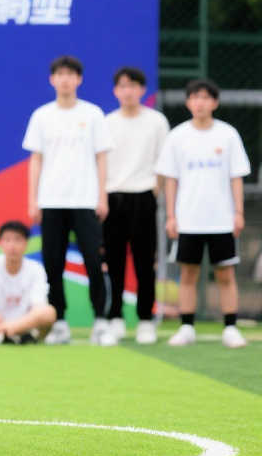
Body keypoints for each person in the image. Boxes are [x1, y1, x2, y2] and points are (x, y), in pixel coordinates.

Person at [23, 55, 114, 346]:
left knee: (93, 261)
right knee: (53, 264)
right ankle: (59, 322)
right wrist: (33, 200)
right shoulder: (42, 116)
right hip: (51, 201)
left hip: (85, 201)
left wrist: (102, 196)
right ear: (52, 79)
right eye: (60, 74)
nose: (65, 79)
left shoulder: (93, 114)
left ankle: (101, 321)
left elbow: (102, 158)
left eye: (70, 74)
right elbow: (36, 160)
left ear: (79, 79)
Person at [155, 79, 250, 348]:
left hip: (222, 220)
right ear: (188, 102)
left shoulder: (228, 135)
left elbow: (236, 177)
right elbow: (171, 179)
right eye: (195, 97)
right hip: (188, 220)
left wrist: (238, 212)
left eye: (206, 97)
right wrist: (171, 216)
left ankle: (230, 327)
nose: (200, 103)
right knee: (188, 274)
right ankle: (187, 327)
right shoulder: (177, 137)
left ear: (214, 103)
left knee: (225, 274)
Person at [102, 66, 169, 344]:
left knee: (144, 262)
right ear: (115, 91)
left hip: (143, 196)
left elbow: (164, 161)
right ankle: (115, 318)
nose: (128, 91)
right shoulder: (107, 122)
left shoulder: (156, 121)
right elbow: (100, 162)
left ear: (142, 90)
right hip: (113, 197)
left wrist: (155, 189)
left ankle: (145, 320)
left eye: (133, 86)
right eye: (122, 86)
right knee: (114, 262)